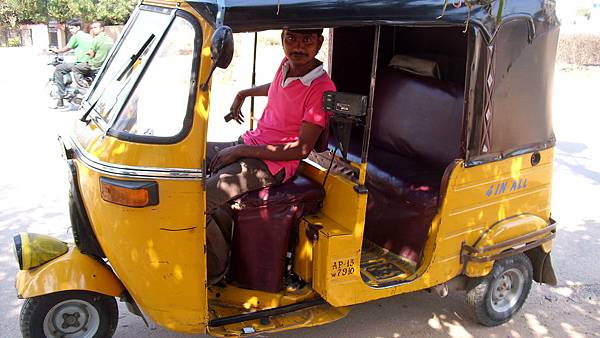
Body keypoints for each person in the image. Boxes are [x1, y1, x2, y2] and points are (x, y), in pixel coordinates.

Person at [205, 28, 336, 283]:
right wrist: (244, 92)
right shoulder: (286, 64)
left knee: (199, 200)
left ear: (319, 42)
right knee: (188, 159)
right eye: (292, 39)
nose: (298, 46)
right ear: (282, 39)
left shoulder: (321, 88)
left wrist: (240, 151)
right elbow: (278, 88)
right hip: (252, 144)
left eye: (307, 40)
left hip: (274, 164)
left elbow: (301, 150)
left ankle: (214, 270)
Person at [50, 19, 92, 109]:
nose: (71, 30)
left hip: (81, 63)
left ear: (78, 27)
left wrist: (57, 50)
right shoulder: (88, 36)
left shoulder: (76, 36)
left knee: (59, 68)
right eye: (69, 29)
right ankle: (61, 102)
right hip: (90, 63)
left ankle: (63, 94)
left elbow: (67, 48)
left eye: (72, 28)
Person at [72, 21, 114, 87]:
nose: (93, 29)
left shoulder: (96, 39)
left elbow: (91, 54)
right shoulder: (110, 39)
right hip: (105, 63)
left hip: (95, 64)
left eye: (95, 27)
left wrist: (87, 56)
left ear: (102, 28)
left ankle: (83, 87)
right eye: (92, 28)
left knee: (76, 68)